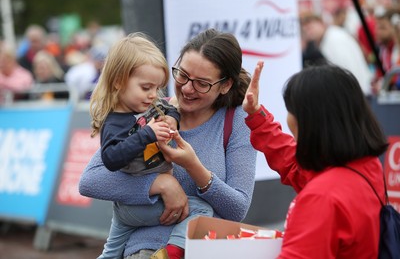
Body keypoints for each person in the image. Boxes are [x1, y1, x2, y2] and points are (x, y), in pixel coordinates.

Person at [79, 28, 257, 259]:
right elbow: (91, 180)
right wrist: (160, 183)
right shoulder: (151, 109)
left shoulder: (237, 121)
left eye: (202, 83)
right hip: (146, 249)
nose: (187, 88)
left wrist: (194, 167)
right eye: (182, 74)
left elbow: (237, 209)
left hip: (205, 251)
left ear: (225, 85)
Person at [243, 62, 388, 258]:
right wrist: (257, 115)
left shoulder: (322, 198)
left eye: (291, 110)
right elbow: (297, 165)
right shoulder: (365, 166)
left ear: (311, 120)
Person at [90, 33, 213, 259]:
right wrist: (147, 134)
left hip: (125, 211)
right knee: (202, 210)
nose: (153, 95)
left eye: (157, 88)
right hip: (139, 204)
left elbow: (169, 107)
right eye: (146, 87)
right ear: (118, 80)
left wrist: (173, 119)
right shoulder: (114, 120)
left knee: (110, 253)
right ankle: (171, 254)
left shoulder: (145, 106)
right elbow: (111, 158)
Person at [300, 13, 373, 95]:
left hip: (357, 91)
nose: (308, 31)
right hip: (356, 90)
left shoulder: (334, 39)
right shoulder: (328, 38)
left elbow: (346, 69)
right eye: (305, 29)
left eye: (310, 27)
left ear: (321, 23)